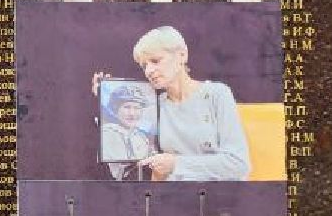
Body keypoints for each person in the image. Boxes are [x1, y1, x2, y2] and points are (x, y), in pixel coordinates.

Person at [95, 25, 250, 181]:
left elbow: (238, 165)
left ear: (182, 56)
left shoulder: (217, 94)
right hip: (173, 198)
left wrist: (176, 164)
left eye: (155, 61)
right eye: (144, 65)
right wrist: (105, 104)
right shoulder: (153, 107)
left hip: (221, 198)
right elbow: (123, 168)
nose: (148, 71)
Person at [99, 82, 156, 180]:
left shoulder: (141, 137)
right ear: (116, 108)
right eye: (127, 107)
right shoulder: (108, 133)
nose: (132, 113)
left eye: (137, 108)